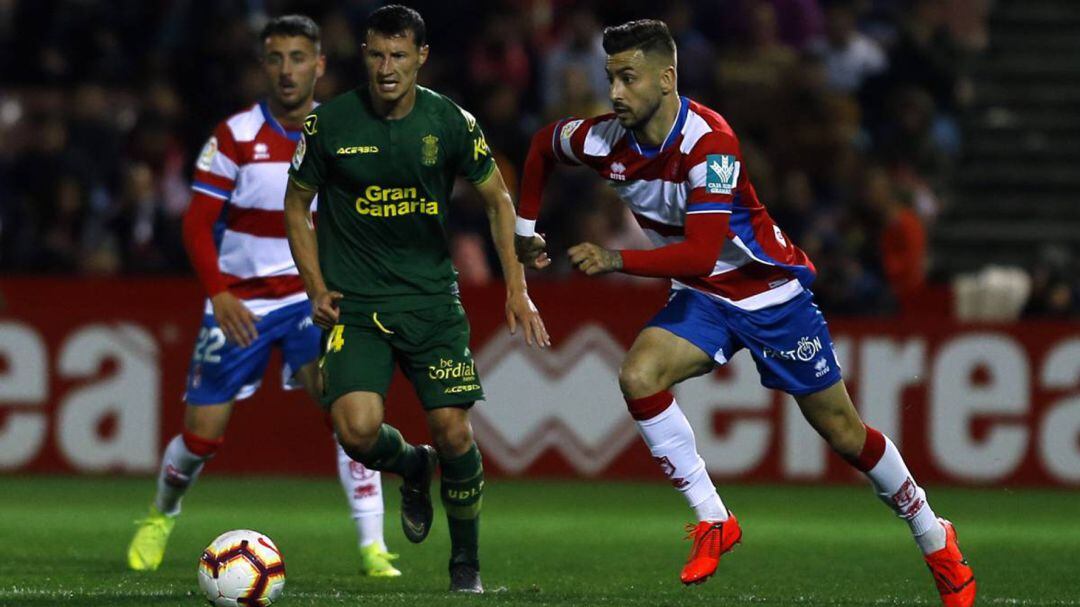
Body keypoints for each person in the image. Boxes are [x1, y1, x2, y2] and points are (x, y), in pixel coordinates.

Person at [514, 19, 975, 607]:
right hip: (702, 297)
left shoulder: (711, 142)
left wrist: (615, 257)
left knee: (842, 432)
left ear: (666, 78)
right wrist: (526, 231)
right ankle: (714, 519)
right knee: (638, 376)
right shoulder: (602, 139)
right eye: (611, 78)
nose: (616, 93)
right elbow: (539, 147)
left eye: (628, 79)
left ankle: (934, 535)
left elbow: (703, 249)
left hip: (769, 295)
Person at [282, 5, 549, 594]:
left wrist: (516, 287)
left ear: (421, 58)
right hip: (356, 305)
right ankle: (411, 464)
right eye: (376, 55)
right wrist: (315, 286)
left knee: (454, 431)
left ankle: (465, 566)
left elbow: (498, 200)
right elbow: (296, 205)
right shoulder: (330, 126)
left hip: (430, 302)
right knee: (355, 431)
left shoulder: (450, 122)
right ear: (364, 56)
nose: (386, 68)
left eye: (399, 55)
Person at [127, 15, 401, 578]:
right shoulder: (234, 136)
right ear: (263, 65)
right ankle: (161, 513)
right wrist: (220, 294)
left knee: (348, 413)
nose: (286, 71)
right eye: (275, 59)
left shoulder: (343, 130)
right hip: (241, 303)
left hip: (311, 299)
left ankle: (374, 546)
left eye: (298, 58)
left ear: (319, 65)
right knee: (201, 437)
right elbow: (198, 225)